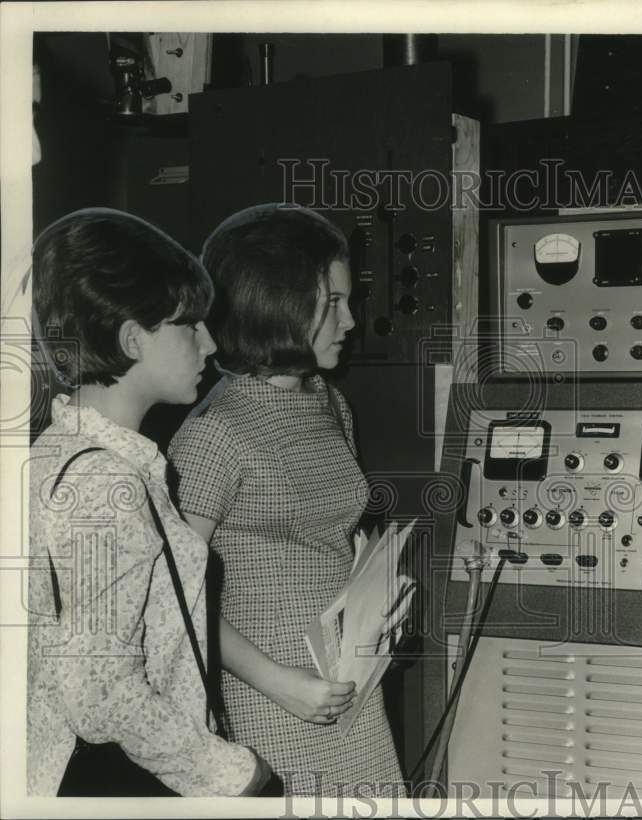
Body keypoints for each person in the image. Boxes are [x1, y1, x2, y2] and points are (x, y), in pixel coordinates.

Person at [27, 209, 272, 795]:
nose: (211, 344)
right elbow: (98, 691)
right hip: (110, 783)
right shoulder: (101, 487)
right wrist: (233, 772)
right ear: (132, 338)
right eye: (190, 325)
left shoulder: (59, 449)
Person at [168, 204, 403, 797]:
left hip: (348, 687)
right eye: (333, 303)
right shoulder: (214, 432)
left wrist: (379, 614)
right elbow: (171, 596)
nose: (350, 319)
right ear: (274, 302)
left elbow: (337, 534)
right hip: (272, 697)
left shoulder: (328, 401)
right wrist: (279, 683)